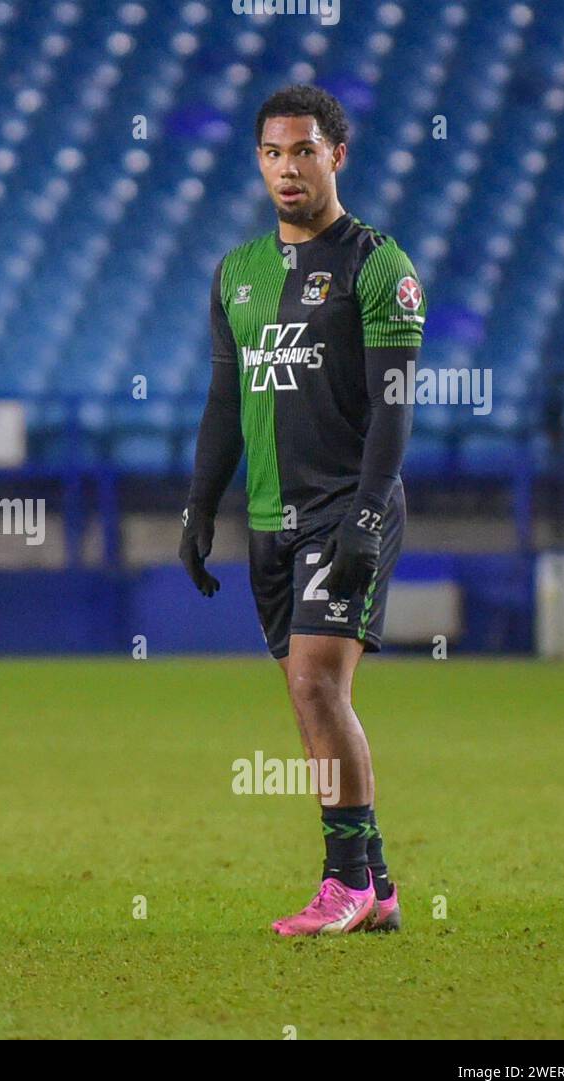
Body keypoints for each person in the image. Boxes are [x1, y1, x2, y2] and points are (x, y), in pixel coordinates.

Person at [179, 85, 426, 935]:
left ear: (337, 156)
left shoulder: (377, 264)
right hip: (269, 520)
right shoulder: (237, 273)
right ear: (259, 160)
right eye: (273, 152)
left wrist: (365, 515)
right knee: (307, 700)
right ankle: (381, 884)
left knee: (321, 685)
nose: (289, 167)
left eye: (305, 150)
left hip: (347, 508)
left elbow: (394, 407)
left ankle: (344, 881)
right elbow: (224, 400)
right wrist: (199, 508)